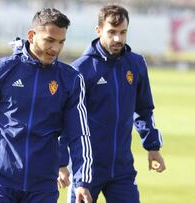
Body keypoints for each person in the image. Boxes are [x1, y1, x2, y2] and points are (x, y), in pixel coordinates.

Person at [0, 8, 93, 203]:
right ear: (31, 36)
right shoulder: (0, 70)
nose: (55, 48)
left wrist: (82, 182)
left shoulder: (71, 80)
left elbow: (79, 135)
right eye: (49, 40)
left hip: (43, 187)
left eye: (61, 42)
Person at [60, 4, 166, 203]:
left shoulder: (136, 64)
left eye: (123, 32)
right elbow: (67, 122)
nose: (118, 38)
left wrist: (153, 147)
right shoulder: (80, 70)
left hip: (122, 168)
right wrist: (61, 163)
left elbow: (143, 109)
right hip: (86, 170)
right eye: (112, 32)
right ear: (98, 31)